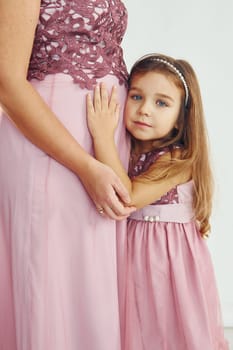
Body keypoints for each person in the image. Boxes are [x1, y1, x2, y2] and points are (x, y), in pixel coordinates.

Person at [0, 1, 135, 349]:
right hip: (53, 152)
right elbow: (7, 83)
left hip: (104, 145)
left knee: (95, 286)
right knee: (52, 285)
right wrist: (86, 166)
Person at [86, 53, 229, 350]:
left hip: (169, 261)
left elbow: (127, 197)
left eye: (161, 102)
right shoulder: (126, 151)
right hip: (131, 255)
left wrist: (101, 135)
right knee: (139, 328)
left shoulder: (178, 160)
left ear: (181, 117)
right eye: (136, 97)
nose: (144, 110)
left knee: (170, 326)